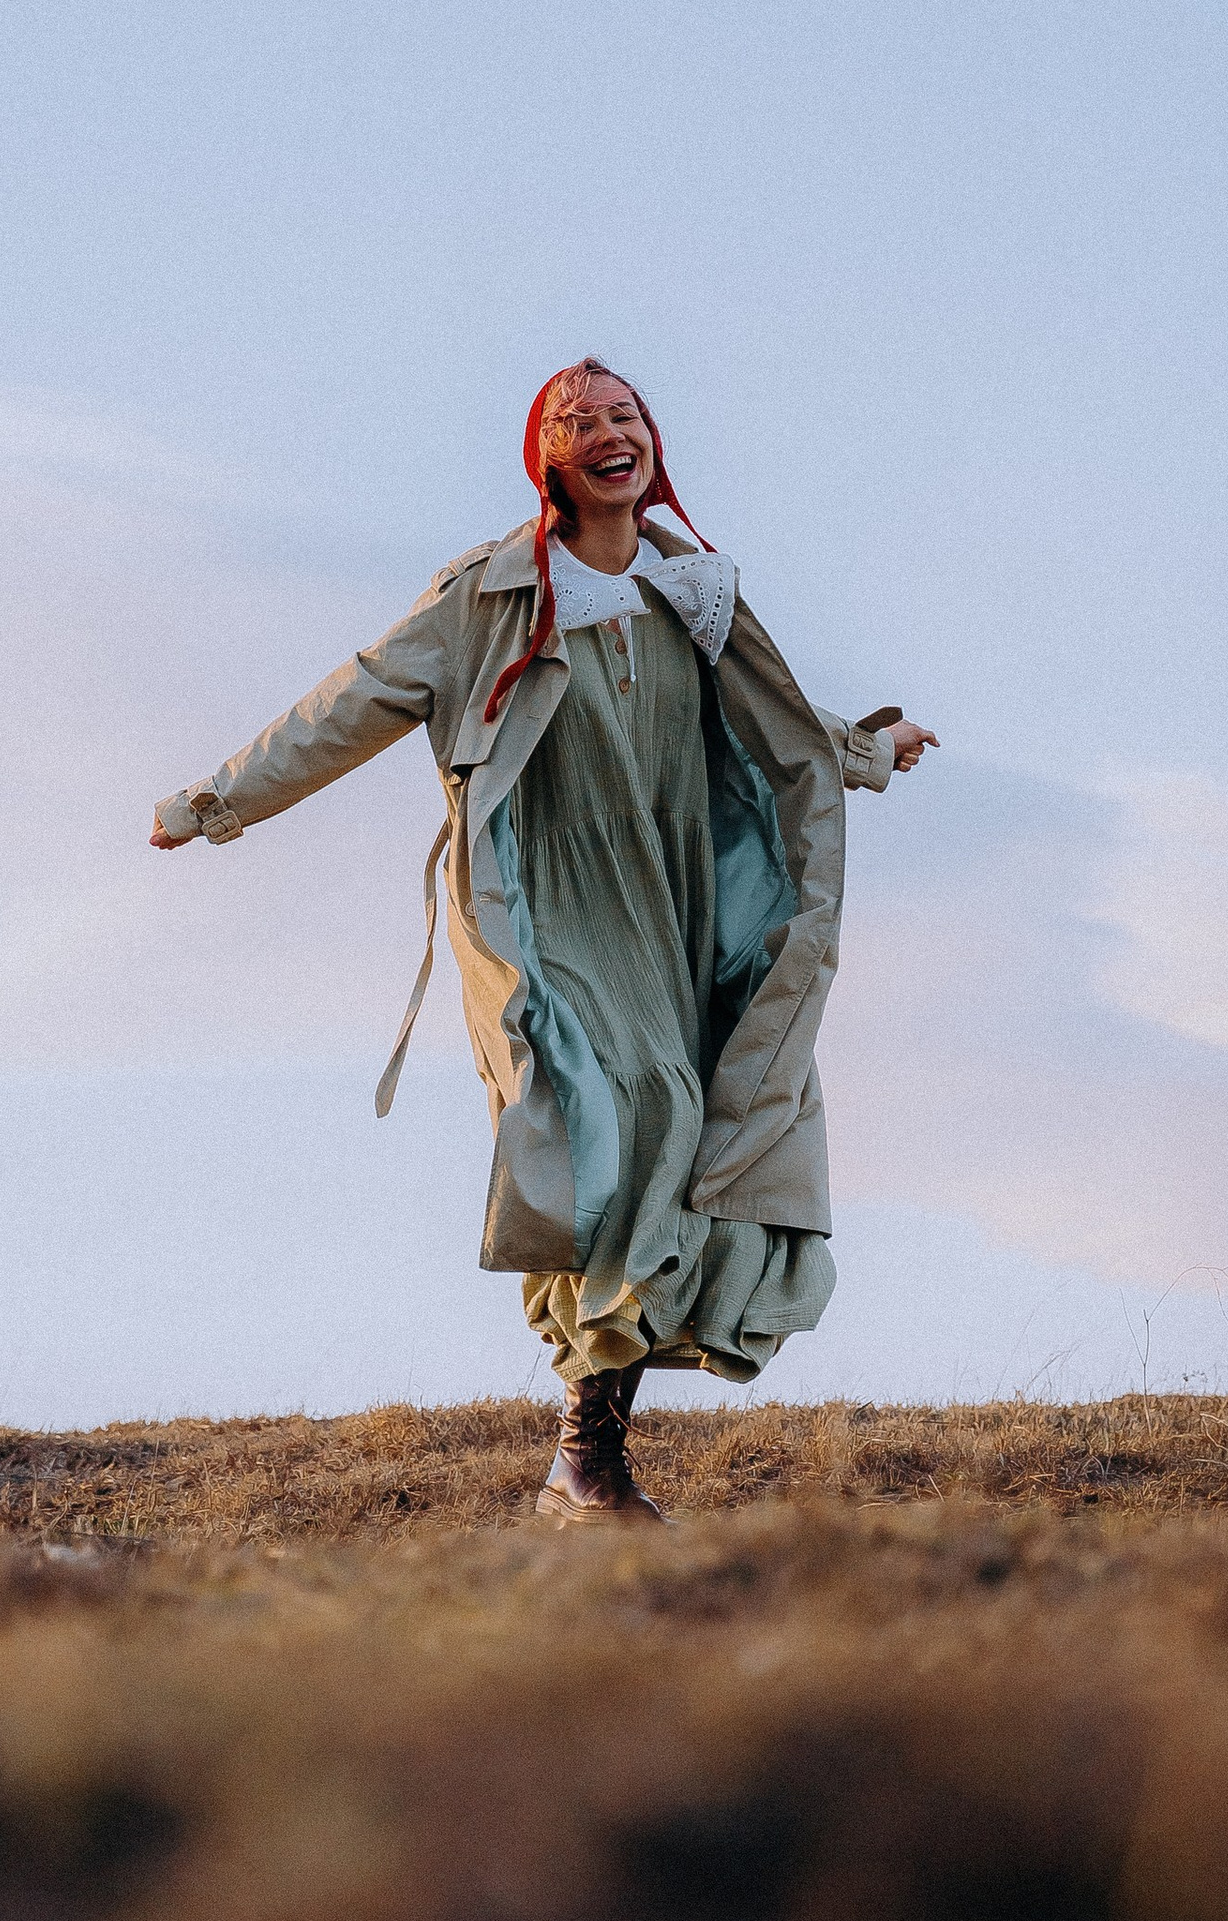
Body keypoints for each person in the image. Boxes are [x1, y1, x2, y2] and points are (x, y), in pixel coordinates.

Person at [151, 360, 936, 1522]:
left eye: (624, 418)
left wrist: (862, 749)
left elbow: (766, 710)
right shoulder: (487, 598)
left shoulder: (694, 588)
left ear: (651, 444)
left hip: (671, 902)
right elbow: (351, 702)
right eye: (580, 425)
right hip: (544, 902)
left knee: (681, 1136)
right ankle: (587, 1461)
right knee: (625, 1117)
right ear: (549, 460)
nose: (607, 435)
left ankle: (586, 1463)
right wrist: (215, 803)